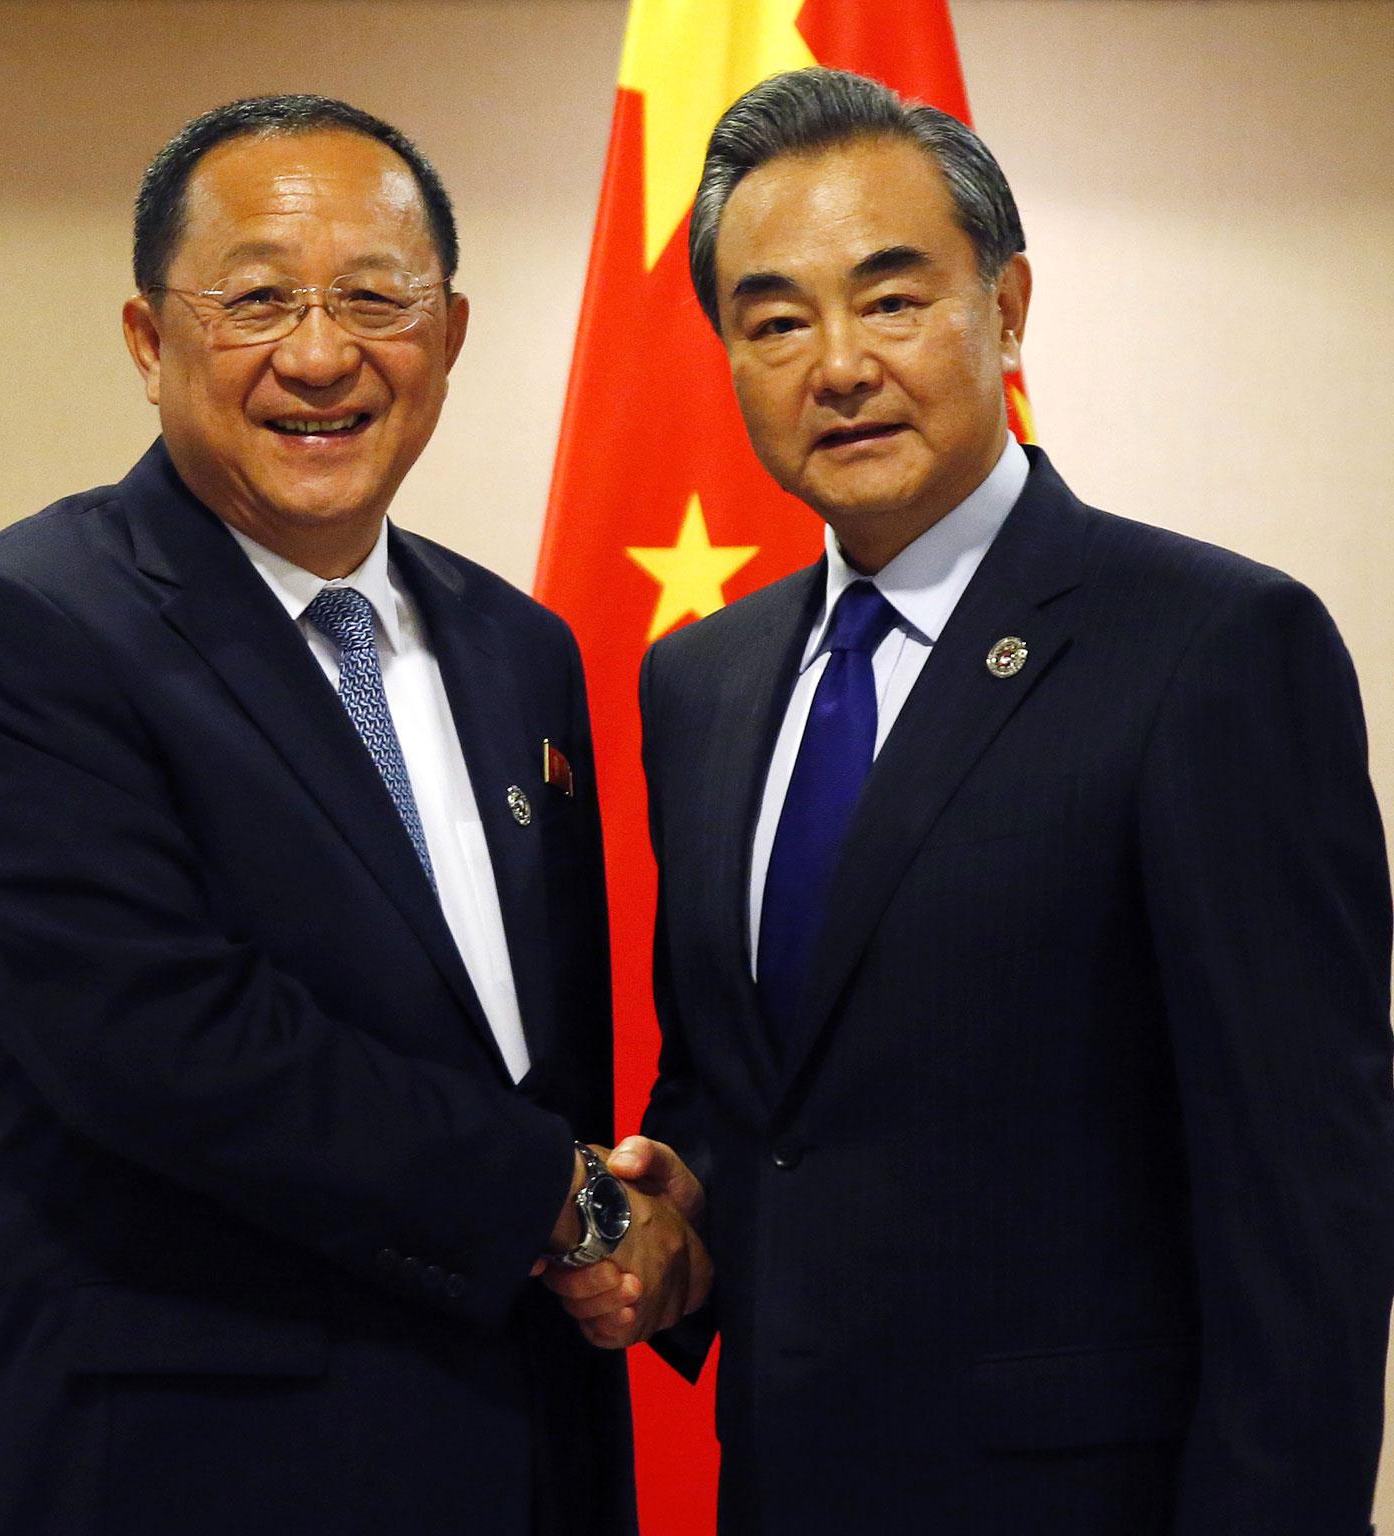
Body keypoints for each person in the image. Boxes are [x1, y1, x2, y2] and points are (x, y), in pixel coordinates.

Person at [549, 66, 1394, 1534]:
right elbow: (752, 1089)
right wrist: (671, 1219)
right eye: (774, 320)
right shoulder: (702, 683)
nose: (839, 364)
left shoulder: (1211, 648)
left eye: (893, 299)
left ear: (1005, 306)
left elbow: (1306, 1207)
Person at [0, 95, 676, 1536]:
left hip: (526, 1459)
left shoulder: (523, 649)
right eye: (257, 301)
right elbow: (164, 1046)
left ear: (447, 334)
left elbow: (540, 1058)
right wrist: (564, 1202)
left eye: (376, 299)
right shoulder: (18, 627)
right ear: (148, 340)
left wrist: (636, 1217)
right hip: (196, 1470)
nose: (319, 357)